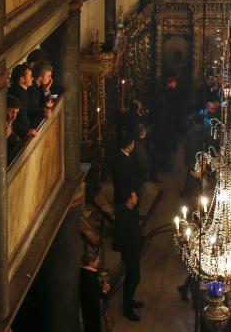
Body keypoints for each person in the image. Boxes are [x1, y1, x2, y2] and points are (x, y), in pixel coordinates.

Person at [113, 191, 144, 322]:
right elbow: (120, 238)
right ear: (129, 200)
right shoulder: (122, 216)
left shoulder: (132, 211)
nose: (137, 197)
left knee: (132, 279)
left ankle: (129, 301)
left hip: (134, 250)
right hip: (129, 252)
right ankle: (127, 309)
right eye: (134, 196)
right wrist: (134, 243)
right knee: (134, 279)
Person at [79, 249, 109, 332]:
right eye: (96, 260)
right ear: (91, 263)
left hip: (87, 309)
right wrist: (105, 290)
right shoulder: (90, 280)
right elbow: (98, 299)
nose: (98, 260)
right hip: (92, 311)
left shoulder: (84, 272)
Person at [8, 63, 39, 140]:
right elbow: (13, 119)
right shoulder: (18, 95)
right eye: (30, 75)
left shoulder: (23, 91)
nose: (32, 78)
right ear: (22, 79)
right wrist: (26, 131)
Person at [112, 134, 139, 206]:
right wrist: (130, 196)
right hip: (124, 196)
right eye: (133, 144)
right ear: (128, 145)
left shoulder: (121, 156)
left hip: (124, 194)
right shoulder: (122, 161)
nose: (133, 146)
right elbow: (123, 181)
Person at [6, 94, 25, 164]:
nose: (14, 117)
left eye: (16, 113)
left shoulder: (13, 122)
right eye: (11, 112)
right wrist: (6, 137)